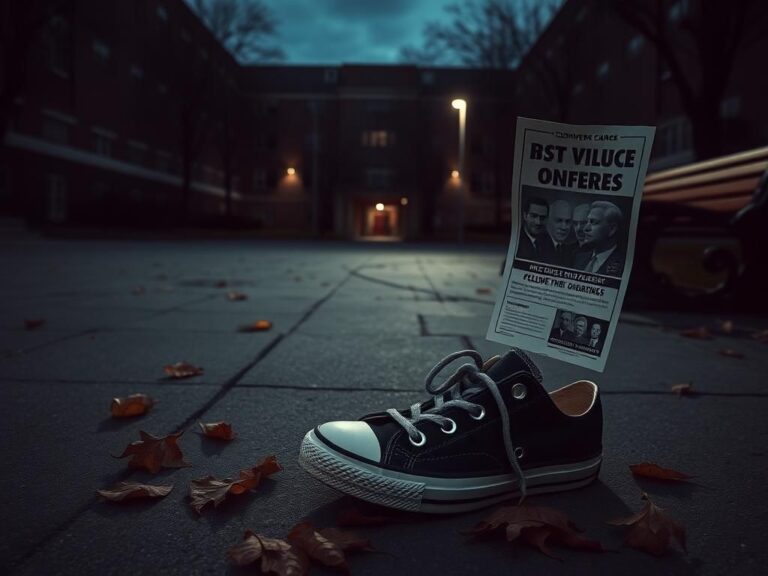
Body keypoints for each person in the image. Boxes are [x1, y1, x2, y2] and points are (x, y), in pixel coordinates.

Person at [573, 201, 625, 276]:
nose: (585, 228)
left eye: (593, 222)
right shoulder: (579, 257)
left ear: (612, 229)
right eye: (587, 222)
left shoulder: (623, 263)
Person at [541, 200, 575, 267]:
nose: (564, 227)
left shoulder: (569, 251)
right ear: (547, 221)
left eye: (567, 221)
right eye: (558, 221)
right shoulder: (537, 246)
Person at [517, 196, 548, 261]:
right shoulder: (516, 240)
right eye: (534, 216)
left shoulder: (548, 240)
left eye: (542, 218)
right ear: (525, 216)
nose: (538, 222)